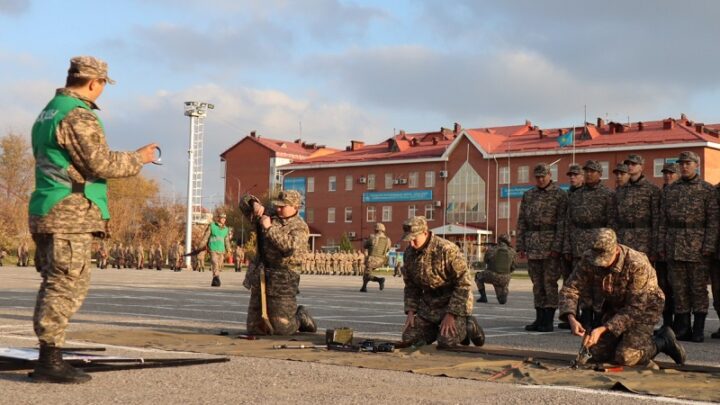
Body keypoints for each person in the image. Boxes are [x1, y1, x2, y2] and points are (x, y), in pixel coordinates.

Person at [28, 56, 157, 383]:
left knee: (56, 282)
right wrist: (138, 158)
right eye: (102, 85)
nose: (101, 91)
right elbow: (100, 164)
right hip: (68, 212)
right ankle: (49, 359)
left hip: (48, 207)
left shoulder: (48, 111)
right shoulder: (77, 115)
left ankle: (50, 353)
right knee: (67, 284)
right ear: (93, 83)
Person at [559, 228, 686, 367]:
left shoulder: (637, 263)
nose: (600, 264)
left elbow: (635, 308)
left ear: (616, 250)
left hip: (645, 308)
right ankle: (625, 341)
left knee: (626, 356)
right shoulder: (590, 258)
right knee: (595, 354)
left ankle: (663, 341)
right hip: (616, 305)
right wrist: (571, 317)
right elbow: (570, 288)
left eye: (604, 259)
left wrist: (603, 329)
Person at [659, 151, 718, 342]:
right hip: (675, 245)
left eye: (688, 163)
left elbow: (713, 222)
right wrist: (663, 244)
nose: (684, 166)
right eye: (681, 163)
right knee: (679, 288)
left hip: (697, 246)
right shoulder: (670, 190)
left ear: (696, 165)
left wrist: (708, 245)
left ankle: (698, 329)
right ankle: (683, 328)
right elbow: (662, 221)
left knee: (698, 289)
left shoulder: (707, 190)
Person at [401, 216, 485, 348]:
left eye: (414, 239)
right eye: (409, 240)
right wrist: (411, 311)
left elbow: (464, 283)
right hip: (430, 307)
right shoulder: (409, 253)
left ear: (425, 232)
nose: (411, 244)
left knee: (446, 342)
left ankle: (469, 326)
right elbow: (411, 285)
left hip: (453, 304)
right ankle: (440, 330)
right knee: (409, 339)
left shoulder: (446, 249)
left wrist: (451, 314)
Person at [241, 190, 316, 335]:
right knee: (254, 329)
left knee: (282, 329)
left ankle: (301, 317)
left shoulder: (300, 227)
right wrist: (254, 204)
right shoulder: (270, 216)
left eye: (283, 206)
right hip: (261, 275)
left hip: (283, 279)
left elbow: (288, 247)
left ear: (295, 207)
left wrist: (269, 228)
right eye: (277, 206)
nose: (278, 209)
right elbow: (243, 202)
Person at [563, 160, 613, 330]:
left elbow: (611, 222)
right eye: (587, 171)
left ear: (599, 173)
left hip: (599, 241)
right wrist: (567, 246)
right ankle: (586, 315)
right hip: (579, 242)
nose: (589, 174)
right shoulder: (576, 195)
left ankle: (599, 316)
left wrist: (610, 246)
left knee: (599, 283)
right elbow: (568, 223)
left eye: (592, 171)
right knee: (582, 282)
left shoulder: (607, 194)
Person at [516, 163, 567, 332]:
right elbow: (522, 221)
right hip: (532, 244)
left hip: (550, 244)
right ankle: (539, 318)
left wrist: (558, 246)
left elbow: (562, 223)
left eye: (543, 176)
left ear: (550, 175)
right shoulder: (528, 195)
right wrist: (520, 245)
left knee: (549, 283)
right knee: (537, 284)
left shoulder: (559, 195)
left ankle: (548, 320)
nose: (540, 179)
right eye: (537, 177)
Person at [610, 154, 661, 259]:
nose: (630, 166)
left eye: (633, 164)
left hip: (644, 240)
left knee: (642, 273)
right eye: (628, 164)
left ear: (641, 167)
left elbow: (656, 220)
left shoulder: (652, 189)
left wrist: (655, 245)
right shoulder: (620, 190)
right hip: (623, 238)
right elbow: (614, 218)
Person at [656, 162, 678, 329]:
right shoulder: (659, 193)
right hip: (661, 247)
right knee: (662, 287)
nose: (667, 176)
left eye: (671, 173)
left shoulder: (678, 192)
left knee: (676, 286)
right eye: (665, 173)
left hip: (677, 247)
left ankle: (680, 323)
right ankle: (667, 322)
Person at [476, 234, 516, 304]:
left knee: (478, 276)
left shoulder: (492, 249)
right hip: (506, 278)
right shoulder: (512, 251)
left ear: (499, 240)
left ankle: (483, 297)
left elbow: (485, 261)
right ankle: (504, 291)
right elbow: (513, 267)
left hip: (492, 276)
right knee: (502, 301)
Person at [200, 211, 232, 287]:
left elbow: (226, 240)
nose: (223, 219)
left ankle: (215, 279)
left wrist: (229, 249)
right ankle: (216, 278)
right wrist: (202, 245)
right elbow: (206, 237)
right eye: (222, 218)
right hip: (213, 248)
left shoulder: (226, 229)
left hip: (221, 250)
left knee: (219, 265)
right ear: (218, 218)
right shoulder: (212, 226)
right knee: (215, 263)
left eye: (224, 218)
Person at [360, 223, 390, 292]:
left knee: (367, 274)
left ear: (376, 229)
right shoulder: (388, 240)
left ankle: (380, 280)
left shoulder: (372, 237)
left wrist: (365, 241)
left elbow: (365, 246)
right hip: (382, 260)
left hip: (372, 260)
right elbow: (387, 249)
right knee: (366, 273)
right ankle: (363, 287)